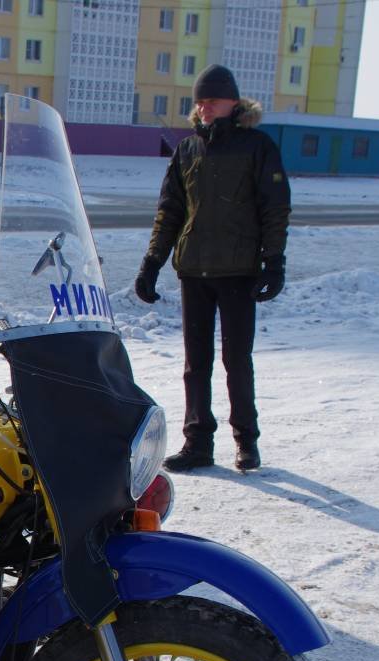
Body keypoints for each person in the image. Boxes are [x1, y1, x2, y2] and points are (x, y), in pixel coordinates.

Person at [134, 64, 290, 472]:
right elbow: (169, 210)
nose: (204, 108)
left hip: (239, 271)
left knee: (237, 360)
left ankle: (246, 442)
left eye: (212, 101)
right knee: (195, 364)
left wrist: (274, 261)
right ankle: (198, 443)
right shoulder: (188, 149)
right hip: (194, 270)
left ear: (233, 102)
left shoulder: (257, 146)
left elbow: (275, 208)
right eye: (200, 102)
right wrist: (152, 262)